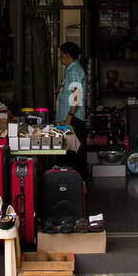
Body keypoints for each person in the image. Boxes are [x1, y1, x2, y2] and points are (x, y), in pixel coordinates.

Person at [56, 41, 87, 180]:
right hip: (71, 117)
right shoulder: (72, 70)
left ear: (68, 56)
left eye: (61, 55)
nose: (60, 58)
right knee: (71, 152)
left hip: (72, 119)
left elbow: (77, 95)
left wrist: (69, 116)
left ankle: (76, 185)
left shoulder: (74, 71)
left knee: (73, 154)